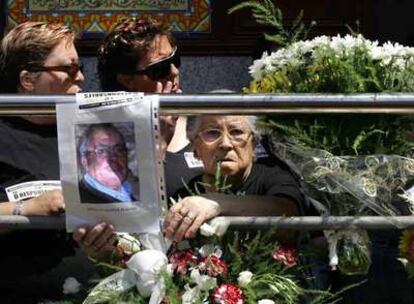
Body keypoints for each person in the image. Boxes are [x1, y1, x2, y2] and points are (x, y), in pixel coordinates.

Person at [73, 18, 203, 256]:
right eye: (160, 69)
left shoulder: (202, 122)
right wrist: (159, 140)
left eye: (175, 60)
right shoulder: (104, 138)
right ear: (126, 80)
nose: (174, 72)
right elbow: (129, 212)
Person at [0, 21, 86, 302]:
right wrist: (28, 208)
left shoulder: (92, 133)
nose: (81, 77)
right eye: (68, 69)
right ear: (28, 80)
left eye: (80, 67)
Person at [164, 115, 306, 242]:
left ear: (254, 142)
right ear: (195, 147)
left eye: (236, 132)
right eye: (212, 133)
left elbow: (289, 215)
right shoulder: (184, 197)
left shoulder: (273, 177)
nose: (226, 144)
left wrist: (216, 203)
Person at [78, 123, 139, 203]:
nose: (113, 157)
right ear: (85, 162)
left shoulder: (135, 190)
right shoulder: (78, 198)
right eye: (101, 151)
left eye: (119, 150)